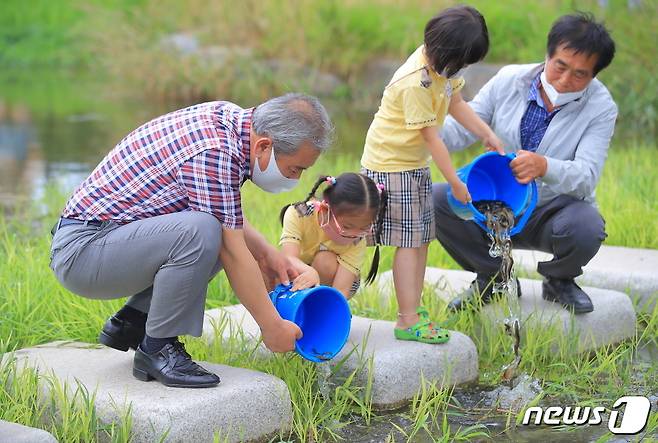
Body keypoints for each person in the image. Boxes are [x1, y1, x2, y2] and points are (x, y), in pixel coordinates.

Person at [49, 93, 334, 387]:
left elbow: (222, 209)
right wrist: (271, 327)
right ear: (264, 146)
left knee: (211, 228)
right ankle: (158, 348)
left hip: (105, 241)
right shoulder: (214, 151)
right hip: (85, 252)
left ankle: (134, 322)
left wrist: (266, 254)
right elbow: (232, 250)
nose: (296, 179)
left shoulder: (231, 123)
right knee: (203, 232)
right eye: (295, 169)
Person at [433, 13, 616, 314]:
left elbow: (587, 176)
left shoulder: (601, 108)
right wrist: (422, 129)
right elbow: (464, 128)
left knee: (587, 227)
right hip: (495, 206)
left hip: (552, 210)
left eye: (580, 74)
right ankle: (493, 275)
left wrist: (545, 166)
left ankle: (559, 280)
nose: (566, 79)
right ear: (548, 54)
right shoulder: (509, 80)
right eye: (561, 66)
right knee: (438, 199)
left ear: (594, 75)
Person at [360, 5, 504, 344]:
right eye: (462, 62)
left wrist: (486, 133)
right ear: (446, 52)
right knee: (409, 243)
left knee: (421, 239)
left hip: (411, 164)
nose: (462, 69)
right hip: (392, 166)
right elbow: (432, 138)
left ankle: (412, 312)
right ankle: (407, 319)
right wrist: (455, 181)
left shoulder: (441, 66)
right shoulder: (417, 82)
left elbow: (456, 103)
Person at [278, 172, 386, 299]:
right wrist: (310, 272)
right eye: (347, 227)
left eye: (363, 228)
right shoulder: (299, 214)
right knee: (266, 264)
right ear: (325, 210)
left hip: (338, 281)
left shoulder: (358, 240)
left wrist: (333, 309)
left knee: (325, 260)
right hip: (298, 271)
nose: (354, 235)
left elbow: (341, 291)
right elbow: (288, 258)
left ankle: (317, 304)